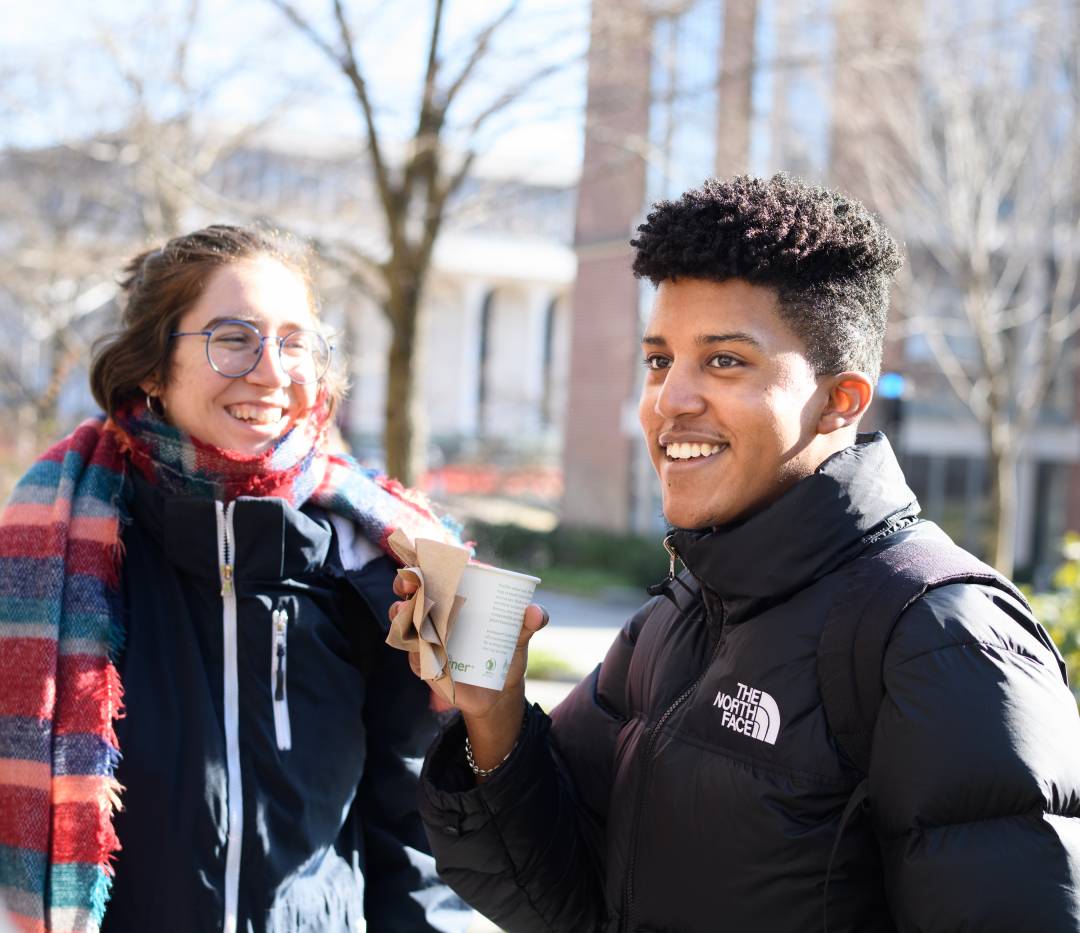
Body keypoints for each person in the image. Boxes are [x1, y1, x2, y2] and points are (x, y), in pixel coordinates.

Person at [404, 175, 1080, 932]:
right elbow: (563, 894)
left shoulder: (946, 639)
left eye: (724, 361)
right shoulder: (676, 614)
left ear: (841, 400)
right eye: (660, 360)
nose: (670, 399)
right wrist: (492, 710)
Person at [0, 225, 472, 933]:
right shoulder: (58, 561)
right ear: (153, 367)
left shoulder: (379, 566)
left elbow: (419, 830)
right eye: (233, 337)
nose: (272, 371)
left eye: (293, 341)